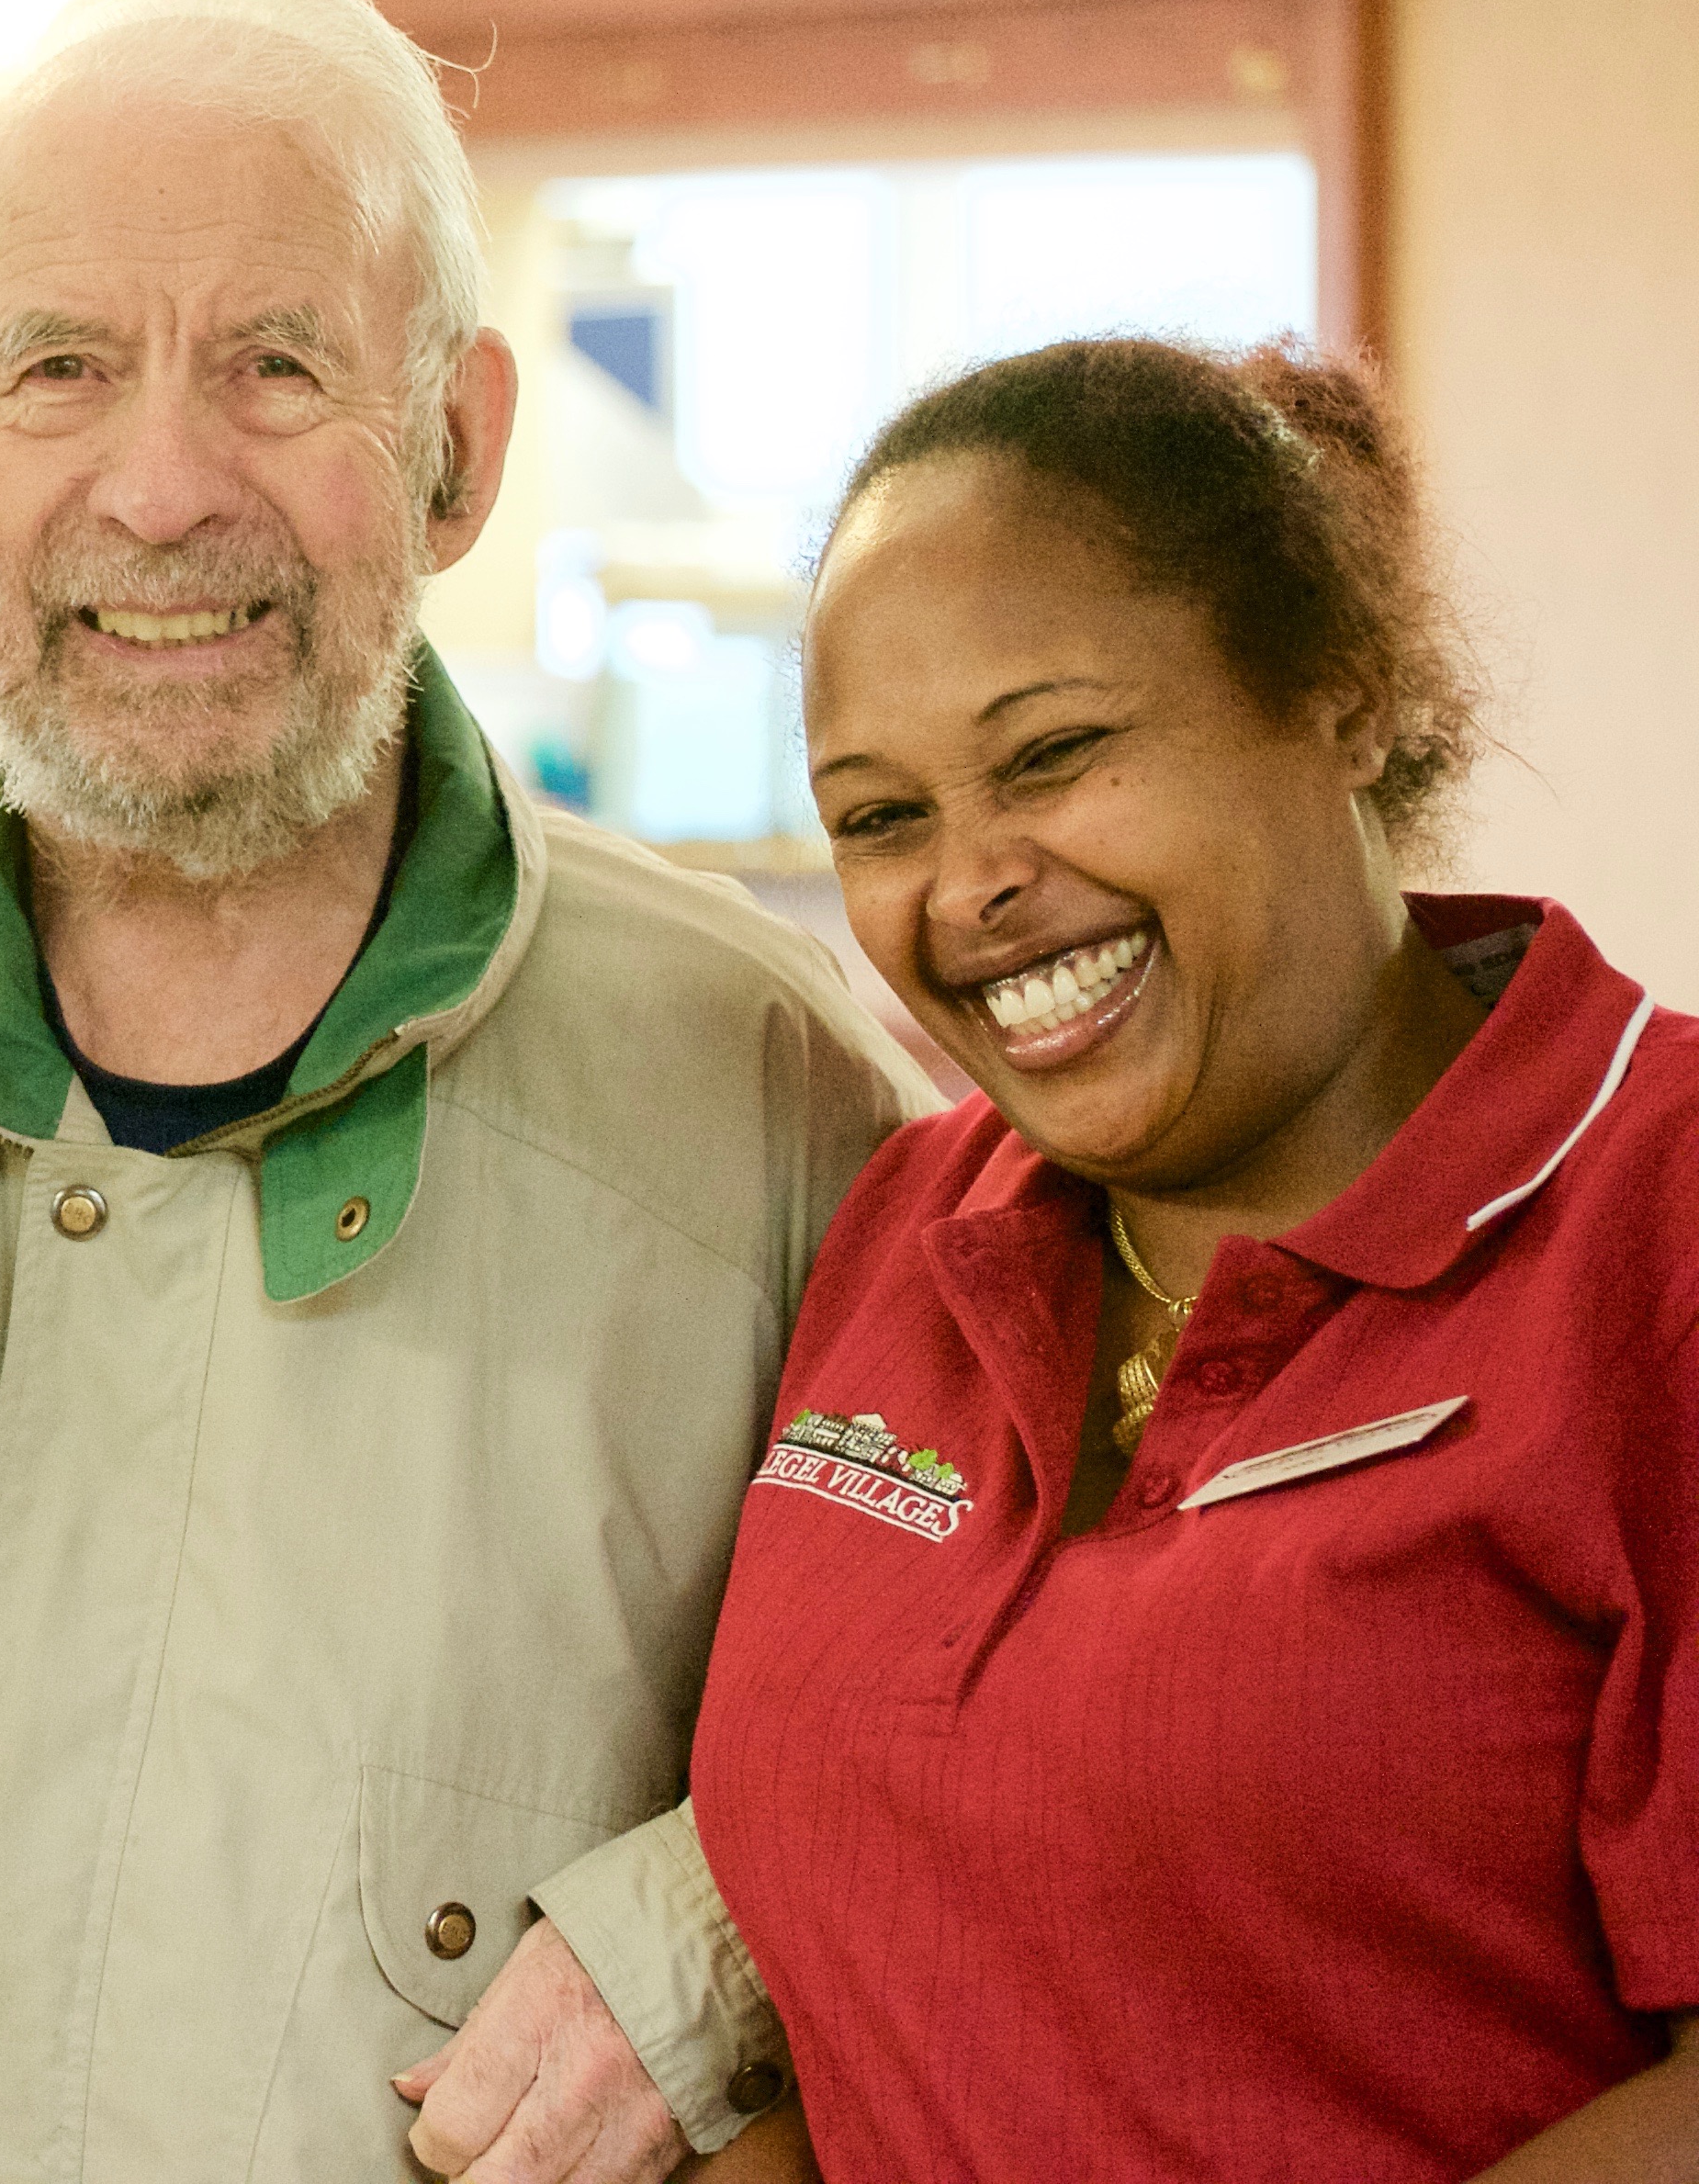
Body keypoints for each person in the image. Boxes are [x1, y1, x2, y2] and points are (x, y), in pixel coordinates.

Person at [0, 0, 924, 2182]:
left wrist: (714, 1934)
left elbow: (1000, 1737)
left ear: (455, 446)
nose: (160, 489)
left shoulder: (766, 1096)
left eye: (275, 366)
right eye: (56, 368)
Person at [692, 338, 1699, 2179]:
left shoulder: (1658, 1233)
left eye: (1055, 754)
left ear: (1343, 697)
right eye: (881, 816)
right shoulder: (905, 1232)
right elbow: (847, 2012)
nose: (973, 882)